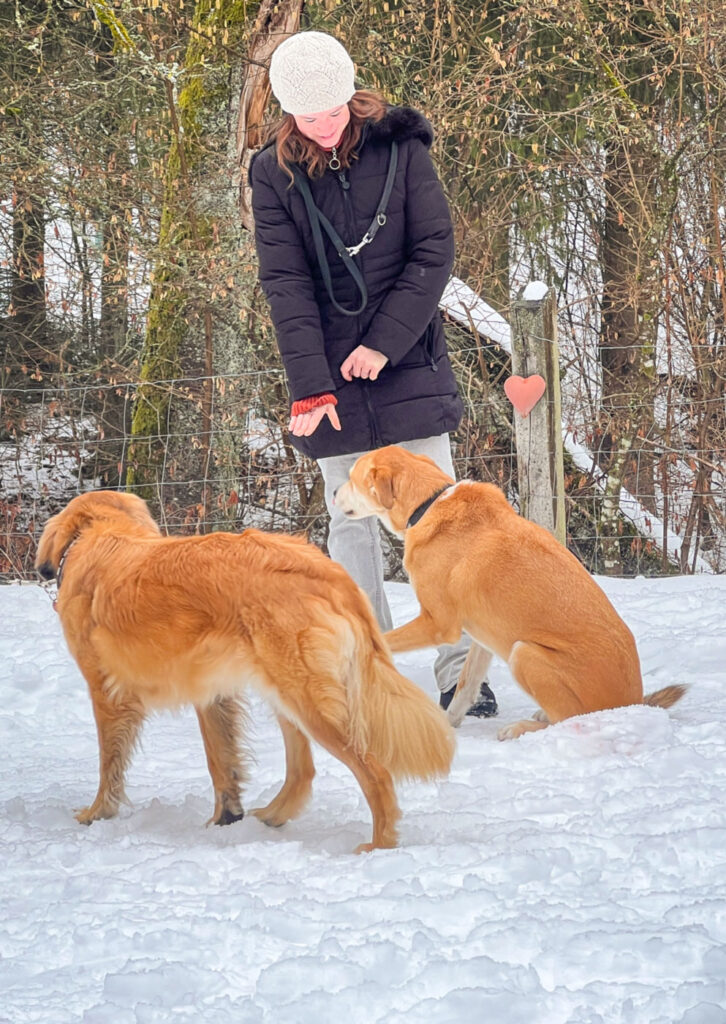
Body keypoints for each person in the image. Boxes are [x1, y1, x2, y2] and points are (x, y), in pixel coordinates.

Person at [249, 30, 496, 717]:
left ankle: (461, 671)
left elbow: (433, 250)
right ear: (287, 113)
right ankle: (369, 665)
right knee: (350, 521)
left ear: (352, 98)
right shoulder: (271, 173)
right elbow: (285, 282)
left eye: (333, 112)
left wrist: (385, 344)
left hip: (408, 354)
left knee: (442, 518)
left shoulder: (401, 146)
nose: (324, 128)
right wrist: (310, 384)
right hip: (326, 368)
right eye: (308, 118)